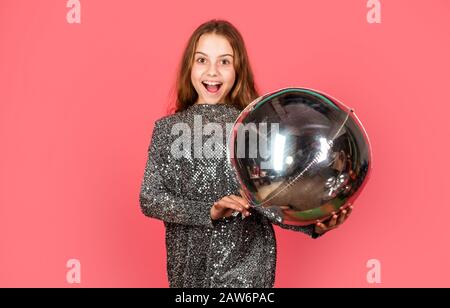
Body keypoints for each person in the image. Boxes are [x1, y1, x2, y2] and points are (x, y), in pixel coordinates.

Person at [139, 19, 352, 288]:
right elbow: (150, 198)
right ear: (189, 66)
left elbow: (269, 200)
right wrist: (209, 211)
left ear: (238, 69)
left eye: (225, 61)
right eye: (202, 60)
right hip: (189, 271)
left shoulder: (256, 127)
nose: (213, 71)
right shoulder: (167, 130)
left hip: (249, 265)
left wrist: (312, 225)